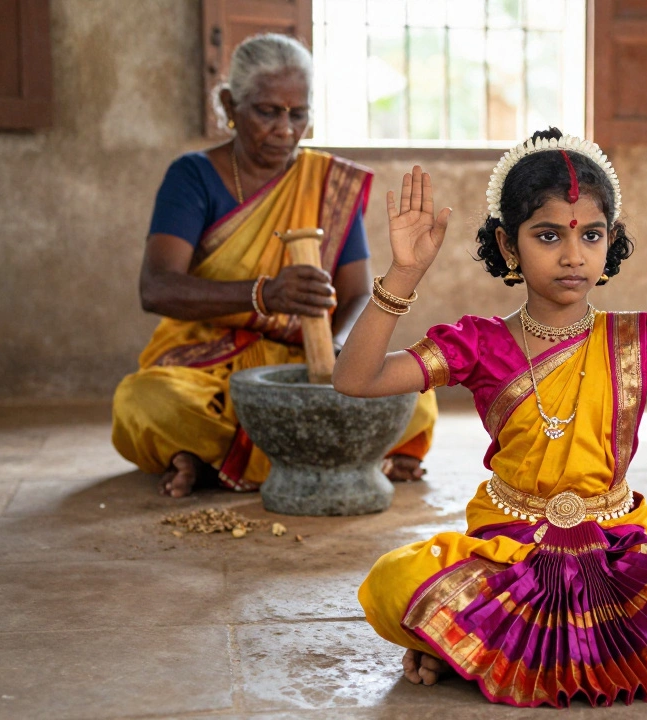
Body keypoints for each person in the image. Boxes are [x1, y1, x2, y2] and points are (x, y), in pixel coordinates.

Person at [333, 127, 647, 708]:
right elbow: (354, 380)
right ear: (508, 246)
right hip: (512, 552)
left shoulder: (641, 340)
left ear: (611, 244)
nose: (573, 255)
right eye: (548, 235)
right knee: (390, 583)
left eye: (592, 235)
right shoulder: (478, 344)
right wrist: (403, 275)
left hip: (616, 550)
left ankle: (466, 647)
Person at [111, 34, 437, 497]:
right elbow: (157, 288)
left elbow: (358, 291)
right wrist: (263, 295)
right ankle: (331, 455)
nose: (285, 129)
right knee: (145, 401)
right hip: (206, 360)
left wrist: (341, 347)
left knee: (416, 401)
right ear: (230, 103)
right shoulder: (192, 176)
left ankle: (209, 460)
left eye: (297, 113)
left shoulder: (328, 183)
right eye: (267, 111)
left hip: (306, 354)